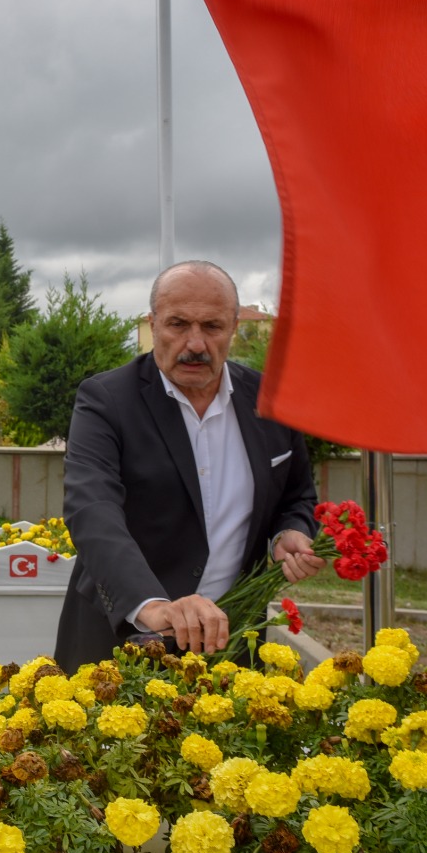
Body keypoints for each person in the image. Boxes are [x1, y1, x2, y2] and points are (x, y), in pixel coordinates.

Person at [53, 261, 324, 671]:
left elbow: (297, 495)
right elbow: (93, 510)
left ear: (234, 327)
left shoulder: (271, 401)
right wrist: (154, 605)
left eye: (212, 327)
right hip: (120, 642)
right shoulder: (106, 400)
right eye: (178, 324)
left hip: (231, 644)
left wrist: (289, 532)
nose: (195, 344)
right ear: (153, 322)